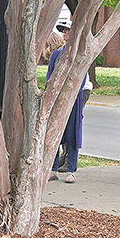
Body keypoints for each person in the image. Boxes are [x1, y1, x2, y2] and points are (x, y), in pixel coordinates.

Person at [47, 24, 90, 183]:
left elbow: (82, 78)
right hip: (56, 101)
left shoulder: (81, 54)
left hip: (74, 100)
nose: (63, 32)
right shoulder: (56, 54)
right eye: (63, 30)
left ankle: (71, 170)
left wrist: (69, 96)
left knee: (72, 134)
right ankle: (52, 169)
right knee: (54, 135)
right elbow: (49, 76)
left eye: (67, 30)